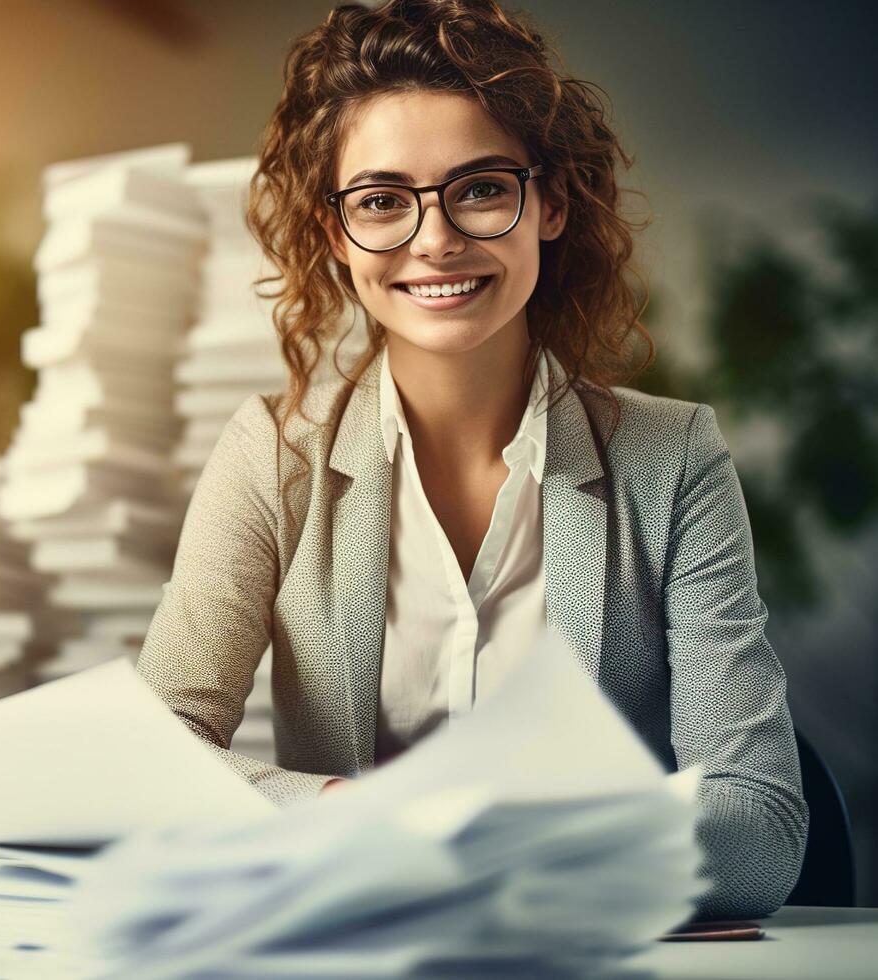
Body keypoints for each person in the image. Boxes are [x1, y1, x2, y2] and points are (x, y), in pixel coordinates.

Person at [135, 0, 807, 920]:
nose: (434, 238)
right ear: (336, 236)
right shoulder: (272, 454)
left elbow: (758, 834)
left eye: (481, 187)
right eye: (379, 201)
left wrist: (462, 841)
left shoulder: (672, 460)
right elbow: (151, 759)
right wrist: (357, 815)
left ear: (551, 201)